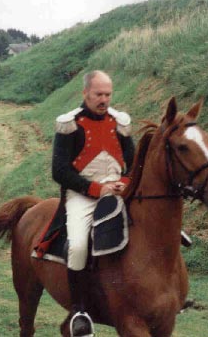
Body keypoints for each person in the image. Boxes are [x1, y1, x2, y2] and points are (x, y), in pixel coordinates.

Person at [52, 70, 135, 336]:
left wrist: (126, 181)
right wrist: (97, 188)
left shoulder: (120, 122)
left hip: (119, 192)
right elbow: (59, 171)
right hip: (82, 195)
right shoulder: (69, 124)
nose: (104, 100)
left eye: (108, 94)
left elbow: (134, 163)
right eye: (98, 94)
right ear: (85, 93)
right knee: (77, 245)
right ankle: (79, 310)